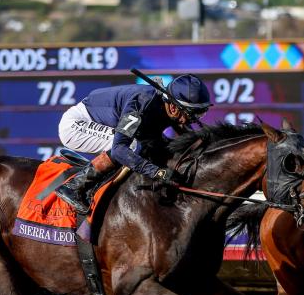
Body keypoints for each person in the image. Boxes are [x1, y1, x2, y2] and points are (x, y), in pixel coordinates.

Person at [55, 74, 213, 214]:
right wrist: (158, 173)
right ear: (173, 107)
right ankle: (74, 187)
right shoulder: (141, 104)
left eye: (200, 113)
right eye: (192, 114)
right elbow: (119, 150)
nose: (194, 120)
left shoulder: (172, 107)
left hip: (103, 121)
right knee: (132, 146)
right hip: (76, 124)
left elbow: (188, 139)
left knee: (153, 145)